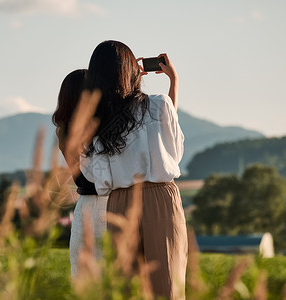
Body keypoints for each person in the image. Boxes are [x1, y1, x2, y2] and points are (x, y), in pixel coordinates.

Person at [80, 40, 187, 299]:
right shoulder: (158, 104)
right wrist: (174, 82)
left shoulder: (93, 122)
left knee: (126, 289)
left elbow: (92, 174)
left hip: (118, 203)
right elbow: (174, 151)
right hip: (159, 198)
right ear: (132, 70)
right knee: (167, 286)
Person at [52, 69, 108, 277]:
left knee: (84, 280)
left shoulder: (63, 131)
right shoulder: (100, 130)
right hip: (106, 206)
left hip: (83, 208)